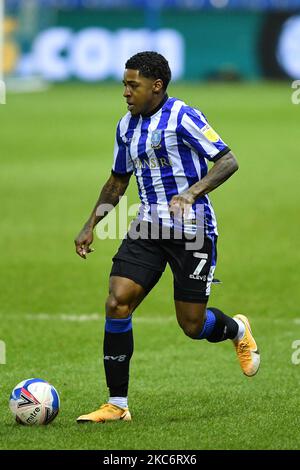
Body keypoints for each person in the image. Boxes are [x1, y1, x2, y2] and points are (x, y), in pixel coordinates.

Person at [75, 51, 260, 423]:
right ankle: (117, 405)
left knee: (192, 325)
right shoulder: (125, 127)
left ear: (156, 86)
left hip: (193, 231)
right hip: (147, 227)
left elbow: (227, 160)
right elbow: (118, 180)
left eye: (133, 85)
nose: (126, 93)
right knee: (117, 303)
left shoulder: (183, 116)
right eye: (125, 85)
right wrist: (90, 223)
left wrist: (192, 193)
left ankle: (237, 329)